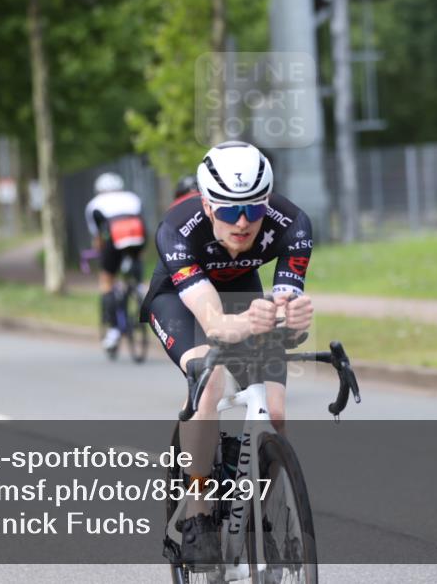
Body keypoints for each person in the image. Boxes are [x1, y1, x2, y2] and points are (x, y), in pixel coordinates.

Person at [140, 141, 314, 564]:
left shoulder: (294, 226)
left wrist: (293, 321)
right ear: (206, 204)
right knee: (209, 377)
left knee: (274, 411)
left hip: (243, 293)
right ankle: (198, 513)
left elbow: (284, 313)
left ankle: (263, 515)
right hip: (180, 301)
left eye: (253, 210)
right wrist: (248, 324)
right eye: (229, 210)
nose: (242, 222)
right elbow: (215, 324)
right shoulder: (176, 230)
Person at [84, 172, 147, 351]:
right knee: (135, 259)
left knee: (106, 281)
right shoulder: (132, 198)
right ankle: (140, 287)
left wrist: (101, 255)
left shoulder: (93, 205)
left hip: (114, 236)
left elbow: (98, 238)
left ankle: (113, 331)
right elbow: (142, 222)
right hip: (137, 234)